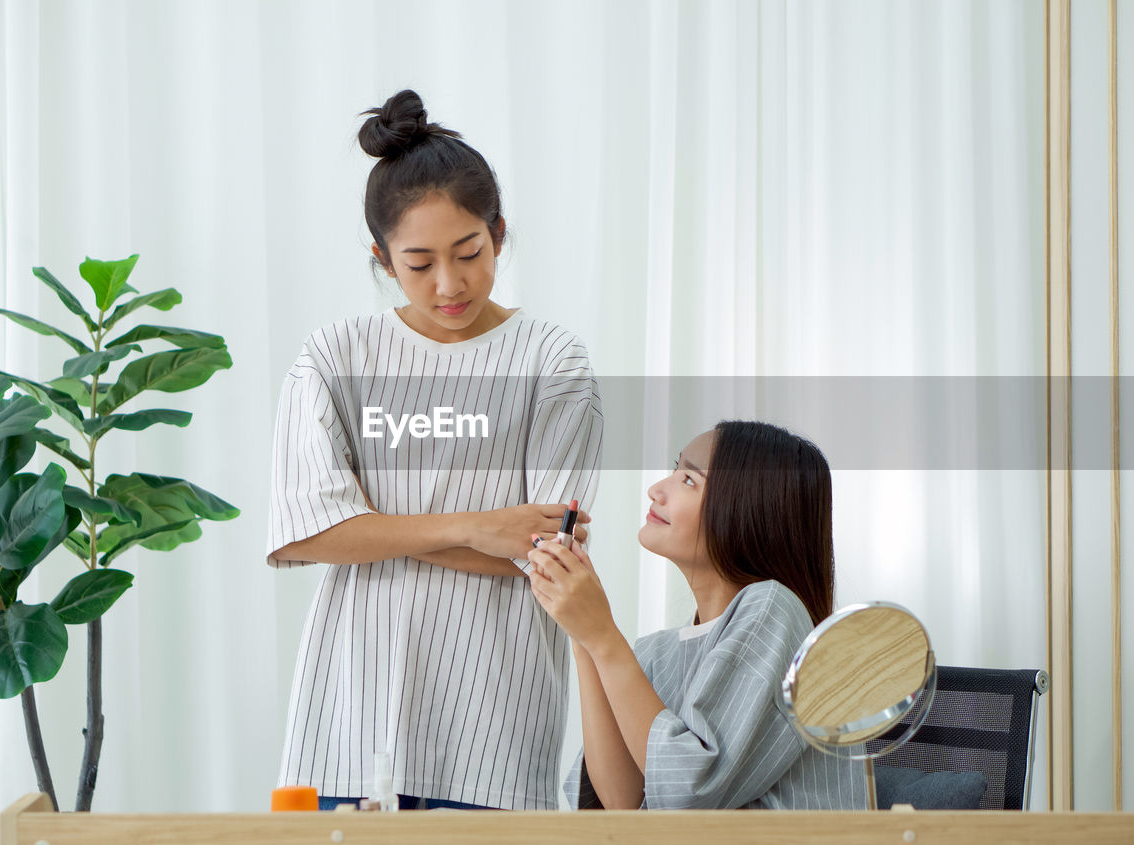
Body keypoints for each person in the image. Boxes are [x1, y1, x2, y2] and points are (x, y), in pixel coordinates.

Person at [266, 89, 602, 811]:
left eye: (469, 253)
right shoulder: (336, 355)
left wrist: (366, 525)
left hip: (497, 733)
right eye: (418, 264)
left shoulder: (553, 361)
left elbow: (551, 557)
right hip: (346, 726)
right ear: (383, 258)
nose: (450, 284)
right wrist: (474, 525)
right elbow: (305, 531)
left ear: (500, 232)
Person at [527, 420, 865, 810]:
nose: (656, 490)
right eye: (675, 471)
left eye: (689, 479)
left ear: (748, 507)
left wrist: (603, 637)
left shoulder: (775, 609)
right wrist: (583, 633)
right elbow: (621, 802)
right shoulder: (656, 653)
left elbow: (690, 792)